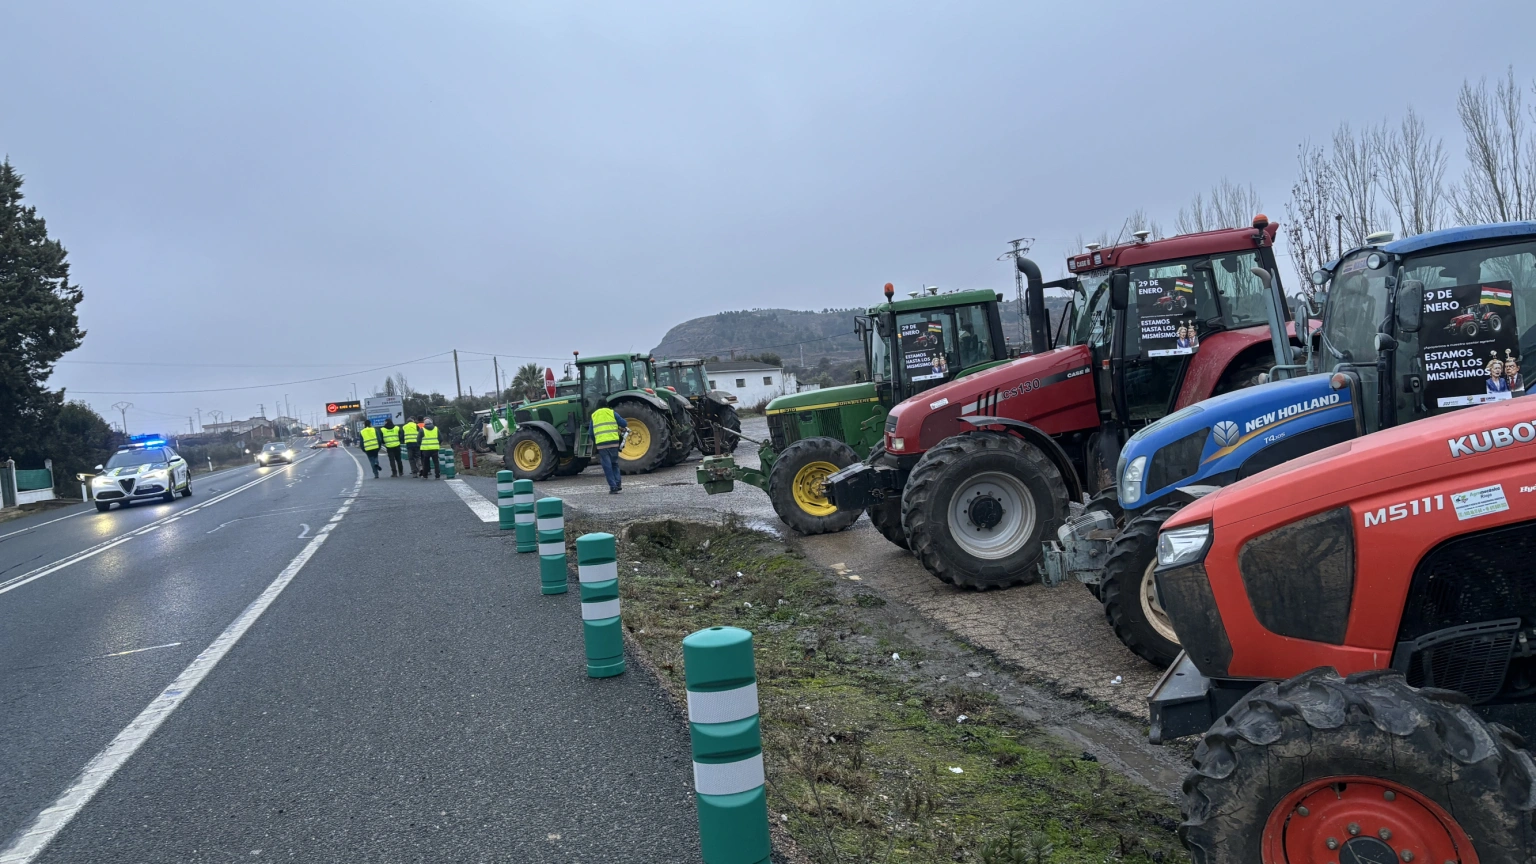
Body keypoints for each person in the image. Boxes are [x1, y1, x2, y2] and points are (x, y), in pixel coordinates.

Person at [586, 398, 629, 494]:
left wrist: (596, 441)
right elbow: (624, 423)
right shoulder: (612, 412)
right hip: (614, 442)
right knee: (615, 464)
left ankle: (613, 487)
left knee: (607, 466)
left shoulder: (594, 415)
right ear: (607, 405)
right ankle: (618, 484)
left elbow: (591, 433)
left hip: (602, 445)